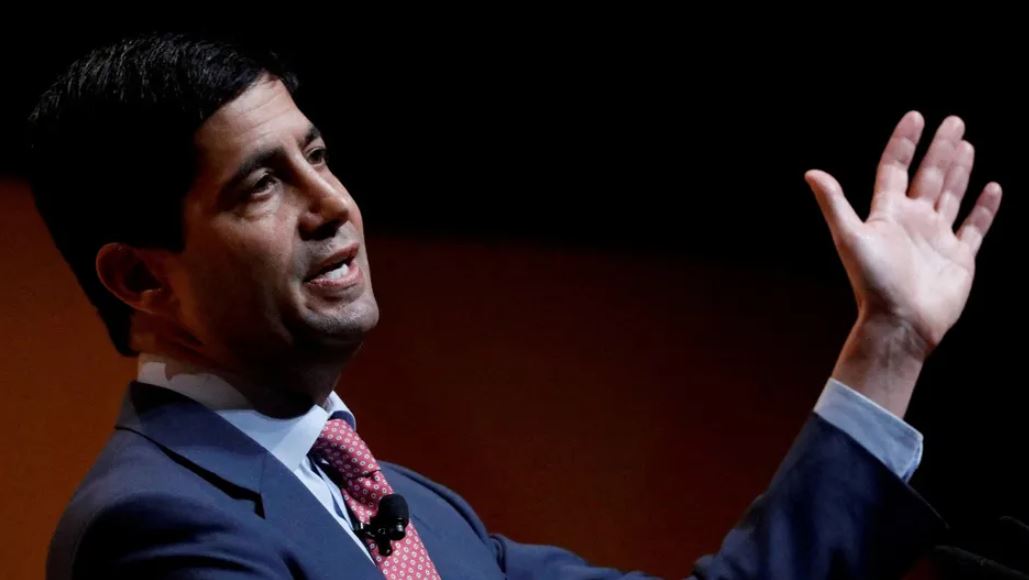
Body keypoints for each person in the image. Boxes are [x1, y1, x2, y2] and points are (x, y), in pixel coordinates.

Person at [29, 33, 1003, 579]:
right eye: (260, 185)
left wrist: (888, 341)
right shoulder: (155, 528)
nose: (332, 205)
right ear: (142, 280)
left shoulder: (411, 508)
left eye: (318, 157)